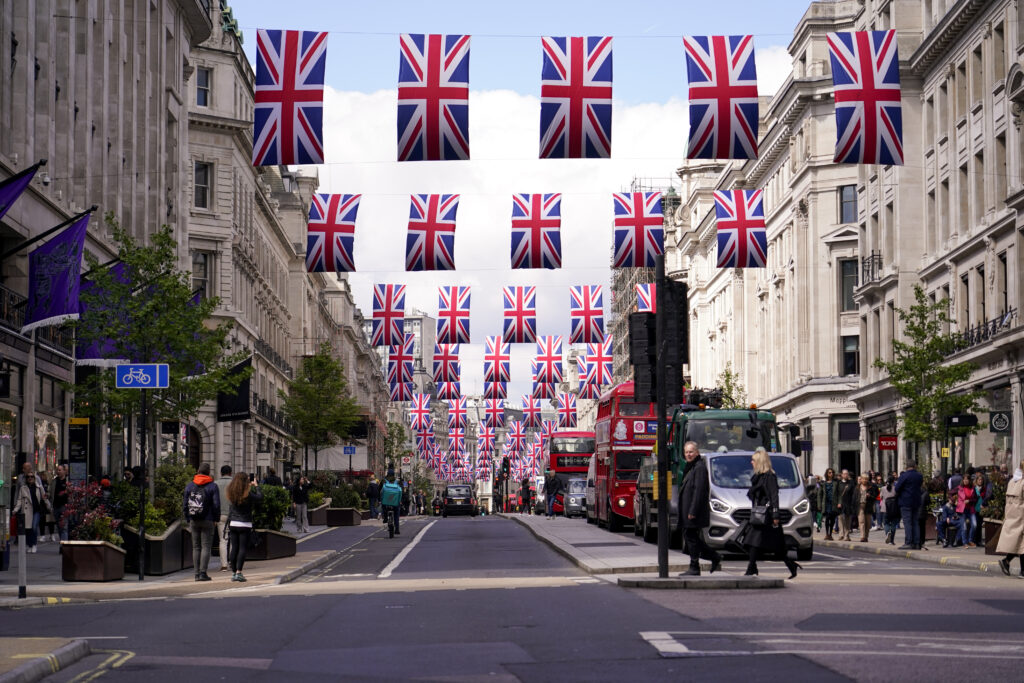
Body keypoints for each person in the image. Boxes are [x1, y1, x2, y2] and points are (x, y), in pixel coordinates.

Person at [743, 448, 799, 579]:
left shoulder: (770, 477)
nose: (751, 462)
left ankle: (751, 567)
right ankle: (790, 565)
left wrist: (775, 515)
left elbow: (774, 497)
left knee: (753, 541)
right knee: (776, 546)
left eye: (753, 460)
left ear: (760, 462)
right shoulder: (758, 477)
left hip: (766, 516)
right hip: (759, 514)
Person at [678, 441, 722, 577]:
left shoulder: (699, 468)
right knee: (691, 537)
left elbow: (699, 491)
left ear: (697, 452)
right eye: (686, 452)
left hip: (693, 512)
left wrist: (692, 511)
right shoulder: (691, 467)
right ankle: (710, 558)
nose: (688, 454)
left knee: (691, 537)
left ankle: (696, 565)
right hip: (688, 510)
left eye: (691, 452)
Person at [183, 462, 221, 582]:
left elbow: (184, 505)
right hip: (208, 519)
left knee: (196, 547)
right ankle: (203, 573)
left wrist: (188, 518)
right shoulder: (213, 486)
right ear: (209, 472)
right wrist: (216, 519)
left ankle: (196, 573)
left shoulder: (189, 486)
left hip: (194, 519)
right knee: (206, 546)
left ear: (198, 471)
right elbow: (216, 505)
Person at [226, 472, 263, 582]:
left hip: (233, 523)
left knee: (234, 548)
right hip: (245, 523)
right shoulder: (248, 494)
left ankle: (233, 573)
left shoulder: (231, 492)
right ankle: (239, 572)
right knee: (242, 548)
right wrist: (256, 486)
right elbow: (260, 497)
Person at [12, 463, 49, 553]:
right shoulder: (22, 483)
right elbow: (18, 495)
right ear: (23, 469)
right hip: (26, 509)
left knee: (34, 527)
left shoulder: (38, 484)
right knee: (27, 528)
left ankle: (34, 544)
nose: (30, 478)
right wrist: (15, 507)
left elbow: (44, 497)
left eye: (32, 477)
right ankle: (30, 545)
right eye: (29, 477)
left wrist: (49, 506)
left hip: (36, 510)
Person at [997, 467, 1024, 576]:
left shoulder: (1012, 481)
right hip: (1021, 514)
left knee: (1018, 542)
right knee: (1022, 544)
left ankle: (1007, 561)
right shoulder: (1022, 483)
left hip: (1012, 514)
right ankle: (1022, 571)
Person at [894, 461, 924, 549]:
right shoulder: (919, 476)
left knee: (907, 523)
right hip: (916, 501)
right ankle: (917, 543)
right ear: (915, 466)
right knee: (915, 522)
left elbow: (897, 488)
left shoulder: (904, 476)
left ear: (907, 467)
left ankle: (908, 542)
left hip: (905, 501)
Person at [215, 464, 233, 571]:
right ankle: (232, 561)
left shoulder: (215, 484)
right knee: (233, 539)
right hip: (234, 515)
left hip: (220, 515)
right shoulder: (235, 483)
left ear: (221, 473)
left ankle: (224, 565)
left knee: (223, 540)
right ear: (230, 473)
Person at [955, 474, 978, 548]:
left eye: (967, 479)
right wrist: (954, 500)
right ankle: (964, 543)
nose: (965, 480)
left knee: (974, 525)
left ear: (969, 480)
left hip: (970, 509)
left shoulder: (973, 488)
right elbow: (950, 493)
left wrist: (969, 501)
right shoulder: (959, 488)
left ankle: (970, 540)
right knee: (964, 527)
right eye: (964, 479)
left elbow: (975, 499)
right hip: (962, 510)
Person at [49, 464, 69, 541]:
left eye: (60, 470)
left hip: (64, 506)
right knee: (59, 527)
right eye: (57, 470)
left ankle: (64, 546)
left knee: (64, 527)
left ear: (64, 471)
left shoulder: (67, 481)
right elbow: (51, 492)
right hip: (56, 506)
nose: (58, 471)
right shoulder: (54, 481)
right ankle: (62, 542)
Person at [817, 469, 838, 540]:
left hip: (833, 503)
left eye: (832, 472)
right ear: (827, 474)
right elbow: (819, 495)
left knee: (832, 519)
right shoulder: (823, 484)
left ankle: (830, 534)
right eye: (829, 473)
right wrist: (819, 505)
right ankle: (826, 533)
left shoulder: (835, 483)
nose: (831, 474)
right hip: (826, 503)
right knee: (827, 518)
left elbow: (839, 494)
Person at [836, 469, 856, 541]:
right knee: (840, 519)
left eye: (847, 474)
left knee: (848, 519)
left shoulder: (851, 483)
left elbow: (853, 493)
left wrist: (853, 503)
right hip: (840, 504)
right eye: (844, 474)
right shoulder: (839, 483)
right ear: (841, 475)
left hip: (848, 503)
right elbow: (837, 494)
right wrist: (838, 502)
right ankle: (841, 534)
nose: (845, 475)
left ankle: (846, 535)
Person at [880, 476, 900, 545]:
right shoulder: (895, 489)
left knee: (886, 523)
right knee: (893, 524)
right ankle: (892, 540)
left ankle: (887, 532)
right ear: (893, 482)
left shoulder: (883, 488)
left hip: (885, 508)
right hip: (894, 508)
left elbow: (881, 497)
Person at [855, 474, 874, 542]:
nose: (864, 480)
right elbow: (854, 497)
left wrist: (870, 496)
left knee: (868, 523)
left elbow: (874, 496)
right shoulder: (857, 487)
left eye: (866, 479)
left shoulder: (870, 487)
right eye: (863, 479)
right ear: (861, 479)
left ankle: (866, 536)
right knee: (861, 521)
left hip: (868, 506)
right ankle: (862, 536)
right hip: (860, 505)